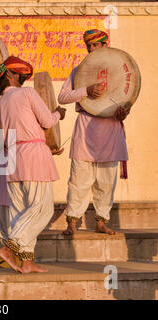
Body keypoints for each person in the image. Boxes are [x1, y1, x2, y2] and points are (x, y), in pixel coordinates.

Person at [0, 57, 66, 273]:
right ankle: (11, 247)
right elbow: (47, 122)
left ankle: (26, 261)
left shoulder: (1, 103)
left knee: (19, 210)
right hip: (32, 154)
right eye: (23, 76)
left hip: (13, 156)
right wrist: (59, 114)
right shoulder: (26, 93)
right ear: (12, 76)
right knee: (41, 208)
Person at [58, 29, 130, 236]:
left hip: (111, 130)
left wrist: (124, 112)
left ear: (105, 45)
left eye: (96, 45)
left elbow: (127, 99)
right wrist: (85, 91)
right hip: (85, 130)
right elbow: (62, 97)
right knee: (78, 180)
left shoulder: (119, 72)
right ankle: (72, 222)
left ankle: (101, 222)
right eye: (88, 45)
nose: (91, 49)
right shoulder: (79, 71)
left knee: (106, 182)